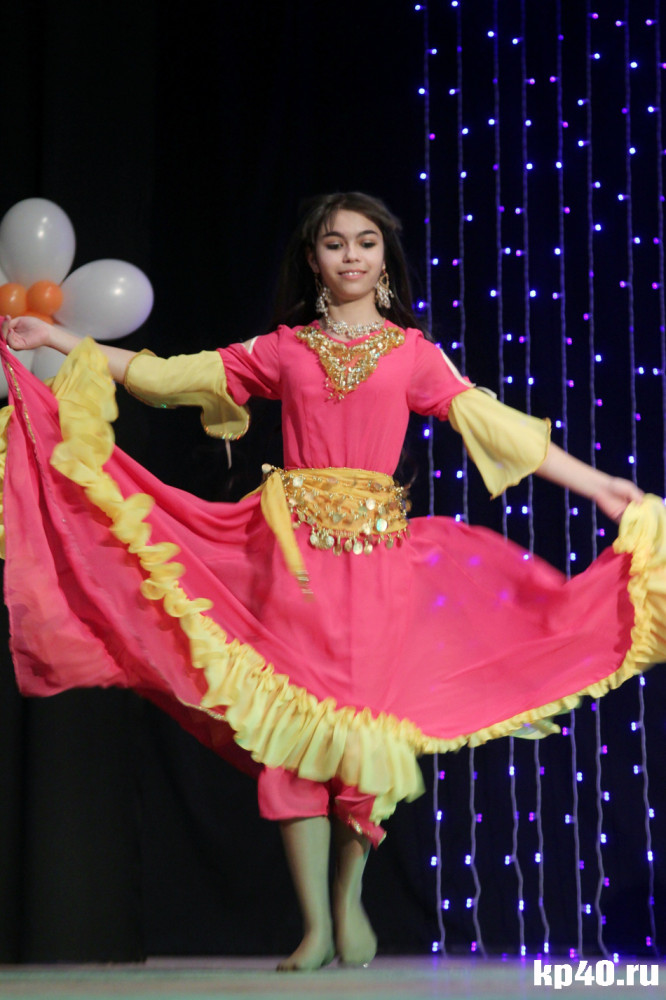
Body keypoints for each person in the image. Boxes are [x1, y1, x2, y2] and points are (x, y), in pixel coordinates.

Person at [1, 192, 664, 972]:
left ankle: (349, 898)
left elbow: (498, 427)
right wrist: (57, 336)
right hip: (294, 564)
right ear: (313, 260)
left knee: (362, 737)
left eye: (366, 242)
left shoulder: (413, 354)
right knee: (292, 735)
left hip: (380, 570)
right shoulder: (286, 349)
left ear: (385, 260)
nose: (352, 255)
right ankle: (315, 924)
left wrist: (598, 485)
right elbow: (169, 375)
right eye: (335, 243)